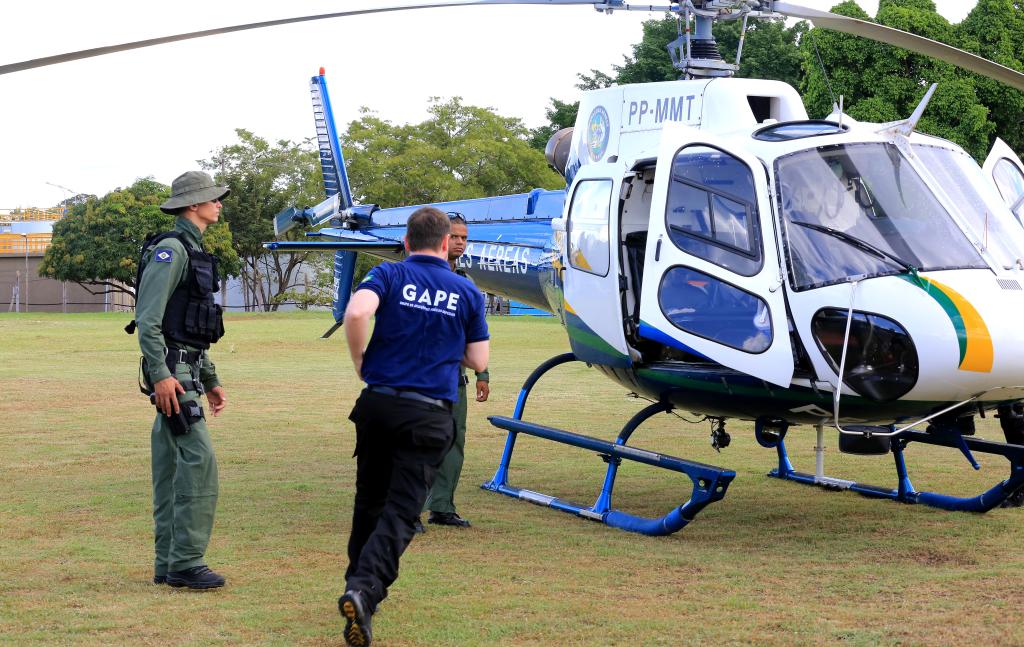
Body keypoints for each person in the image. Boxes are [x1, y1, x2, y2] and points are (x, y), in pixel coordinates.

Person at [339, 206, 490, 647]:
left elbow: (356, 314)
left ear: (406, 243)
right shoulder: (466, 290)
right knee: (402, 511)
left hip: (379, 404)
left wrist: (360, 362)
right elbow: (477, 358)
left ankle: (357, 587)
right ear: (445, 243)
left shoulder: (388, 274)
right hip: (428, 413)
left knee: (369, 500)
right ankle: (364, 589)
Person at [133, 171, 229, 590]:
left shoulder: (193, 249)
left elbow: (190, 326)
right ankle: (186, 563)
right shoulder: (171, 250)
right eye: (213, 198)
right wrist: (161, 375)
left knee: (172, 467)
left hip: (186, 371)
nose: (219, 203)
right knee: (198, 463)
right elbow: (148, 320)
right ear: (193, 205)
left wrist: (211, 378)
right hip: (173, 374)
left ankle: (167, 563)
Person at [417, 214, 489, 531]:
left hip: (454, 380)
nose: (460, 242)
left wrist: (482, 373)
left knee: (452, 444)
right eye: (454, 236)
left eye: (464, 237)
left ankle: (442, 507)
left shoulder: (465, 282)